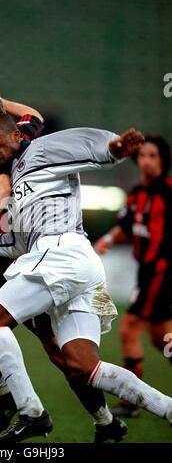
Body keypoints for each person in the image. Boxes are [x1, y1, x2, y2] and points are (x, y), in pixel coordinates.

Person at [0, 79, 123, 443]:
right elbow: (32, 117)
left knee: (63, 358)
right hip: (3, 259)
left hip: (30, 258)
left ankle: (105, 420)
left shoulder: (7, 154)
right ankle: (9, 397)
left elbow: (30, 124)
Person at [0, 114, 172, 443]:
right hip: (81, 267)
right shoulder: (17, 184)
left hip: (62, 255)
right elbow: (19, 244)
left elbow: (88, 148)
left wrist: (115, 148)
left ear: (16, 137)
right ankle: (167, 409)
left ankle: (31, 413)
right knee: (83, 366)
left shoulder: (42, 150)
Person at [94, 135, 172, 418]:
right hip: (146, 272)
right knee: (160, 336)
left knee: (128, 328)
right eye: (143, 155)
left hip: (161, 271)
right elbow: (126, 224)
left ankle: (131, 401)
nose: (147, 161)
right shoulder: (137, 193)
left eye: (154, 155)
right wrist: (107, 239)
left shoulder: (168, 191)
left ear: (163, 160)